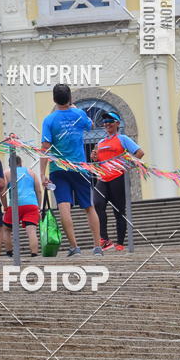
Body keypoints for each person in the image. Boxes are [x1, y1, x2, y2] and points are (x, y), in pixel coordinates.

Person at [40, 84, 103, 257]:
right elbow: (91, 125)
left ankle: (75, 247)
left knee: (64, 206)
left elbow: (45, 148)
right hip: (79, 167)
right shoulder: (79, 114)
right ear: (70, 98)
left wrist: (42, 174)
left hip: (58, 169)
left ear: (54, 99)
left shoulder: (49, 120)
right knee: (89, 206)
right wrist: (74, 108)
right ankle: (97, 246)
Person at [91, 112, 144, 251]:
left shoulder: (123, 138)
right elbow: (98, 161)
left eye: (110, 120)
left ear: (117, 123)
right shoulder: (100, 143)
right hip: (103, 178)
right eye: (105, 121)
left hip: (118, 178)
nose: (107, 123)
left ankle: (120, 243)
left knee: (119, 211)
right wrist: (94, 158)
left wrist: (126, 166)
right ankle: (104, 239)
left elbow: (139, 153)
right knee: (97, 204)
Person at [1, 156, 42, 257]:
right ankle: (34, 254)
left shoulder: (7, 173)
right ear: (21, 163)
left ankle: (9, 252)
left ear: (9, 164)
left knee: (6, 229)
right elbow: (39, 191)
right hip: (31, 204)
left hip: (15, 204)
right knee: (31, 230)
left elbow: (2, 193)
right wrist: (38, 207)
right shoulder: (31, 172)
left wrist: (5, 207)